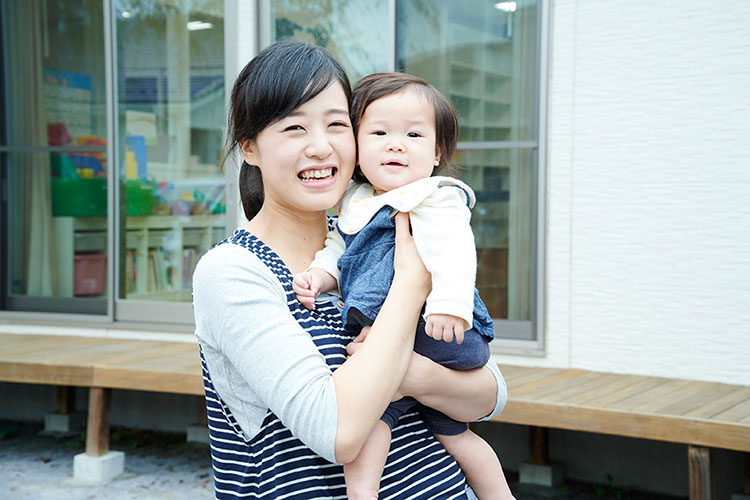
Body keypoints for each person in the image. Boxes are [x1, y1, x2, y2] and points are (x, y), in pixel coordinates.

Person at [192, 39, 507, 500]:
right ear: (250, 148)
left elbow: (491, 394)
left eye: (336, 125)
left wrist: (412, 375)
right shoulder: (233, 273)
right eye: (293, 128)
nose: (320, 148)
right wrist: (411, 285)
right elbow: (339, 431)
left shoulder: (370, 236)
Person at [293, 72, 516, 500]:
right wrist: (320, 277)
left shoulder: (433, 196)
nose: (396, 143)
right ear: (357, 149)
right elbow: (338, 247)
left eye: (413, 134)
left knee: (375, 413)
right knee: (447, 435)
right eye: (379, 132)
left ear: (435, 153)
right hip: (394, 336)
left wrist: (449, 304)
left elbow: (454, 248)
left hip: (436, 330)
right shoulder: (357, 201)